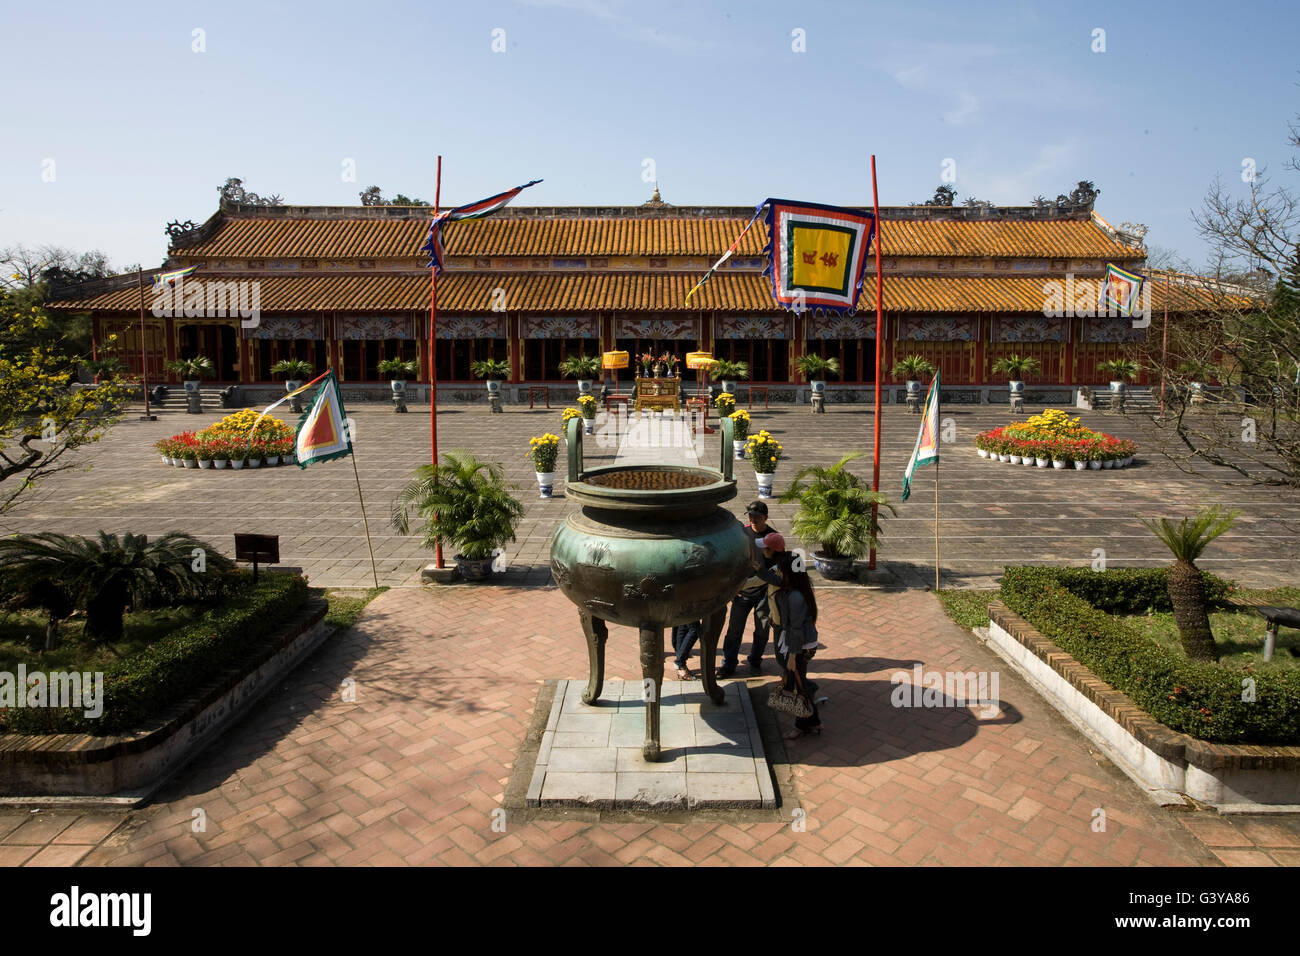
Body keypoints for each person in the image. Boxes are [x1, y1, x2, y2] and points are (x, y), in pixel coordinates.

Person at [718, 502, 780, 677]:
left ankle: (755, 659)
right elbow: (731, 560)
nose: (753, 520)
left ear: (766, 518)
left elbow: (778, 567)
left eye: (757, 517)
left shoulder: (773, 537)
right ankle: (729, 663)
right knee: (734, 630)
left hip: (764, 592)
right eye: (750, 516)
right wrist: (732, 587)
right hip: (742, 592)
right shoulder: (742, 533)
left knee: (762, 628)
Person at [771, 550, 822, 739]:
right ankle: (812, 721)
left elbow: (796, 630)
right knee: (799, 683)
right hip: (799, 644)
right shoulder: (796, 589)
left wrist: (793, 656)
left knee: (799, 686)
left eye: (780, 569)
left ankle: (805, 724)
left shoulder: (795, 597)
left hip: (801, 646)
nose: (777, 572)